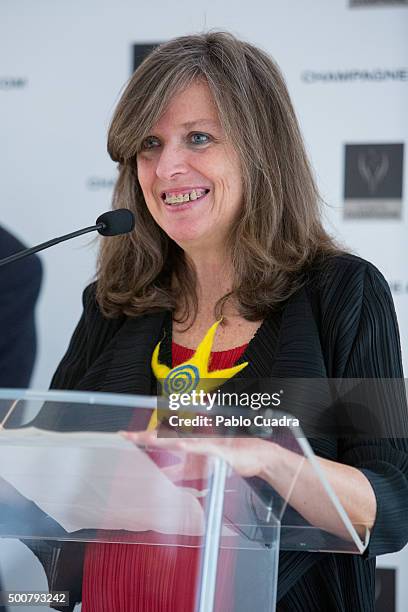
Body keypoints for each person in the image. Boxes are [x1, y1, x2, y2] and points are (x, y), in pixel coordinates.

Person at [30, 32, 407, 611]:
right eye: (149, 144)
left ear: (261, 150)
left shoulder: (341, 295)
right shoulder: (113, 304)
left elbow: (393, 503)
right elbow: (45, 476)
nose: (167, 168)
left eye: (198, 138)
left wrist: (273, 459)